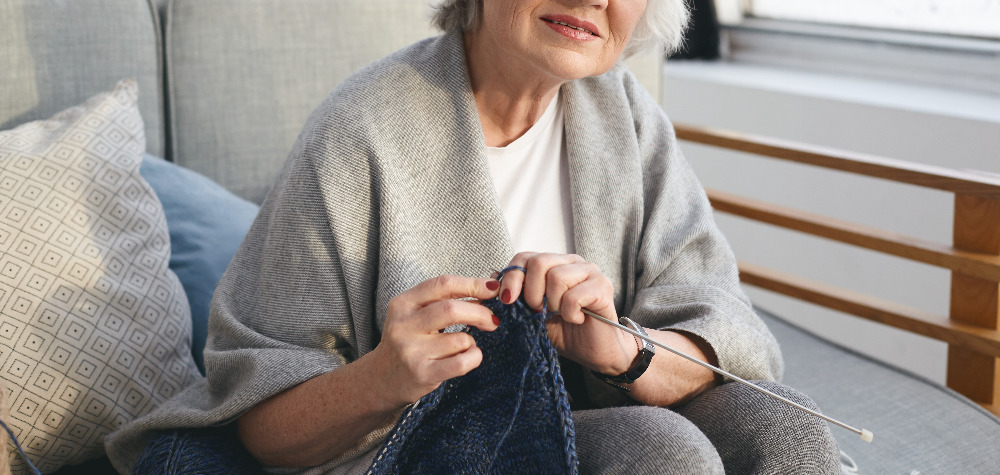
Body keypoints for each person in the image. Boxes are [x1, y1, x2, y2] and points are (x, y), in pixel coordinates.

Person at [111, 0, 841, 473]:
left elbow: (725, 333)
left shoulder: (627, 115)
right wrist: (383, 379)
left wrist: (623, 350)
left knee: (788, 428)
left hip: (596, 410)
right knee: (661, 452)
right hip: (420, 451)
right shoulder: (359, 130)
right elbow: (257, 427)